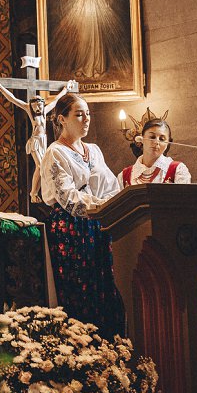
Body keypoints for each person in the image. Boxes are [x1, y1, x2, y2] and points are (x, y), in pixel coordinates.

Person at [39, 93, 125, 339]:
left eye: (87, 113)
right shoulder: (55, 153)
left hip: (99, 224)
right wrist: (99, 205)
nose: (86, 118)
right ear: (62, 119)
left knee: (104, 288)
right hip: (72, 228)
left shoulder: (94, 151)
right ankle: (79, 347)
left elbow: (110, 186)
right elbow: (67, 198)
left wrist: (113, 204)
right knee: (80, 289)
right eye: (78, 114)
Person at [0, 76, 77, 203]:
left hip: (43, 141)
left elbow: (56, 100)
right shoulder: (29, 110)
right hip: (35, 142)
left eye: (40, 105)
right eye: (36, 106)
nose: (38, 108)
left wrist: (66, 89)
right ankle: (33, 193)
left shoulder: (45, 112)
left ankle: (43, 192)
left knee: (45, 166)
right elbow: (13, 99)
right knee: (40, 166)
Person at [118, 118, 192, 187]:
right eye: (152, 137)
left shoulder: (178, 170)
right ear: (141, 139)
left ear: (167, 143)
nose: (156, 142)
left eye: (162, 139)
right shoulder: (123, 176)